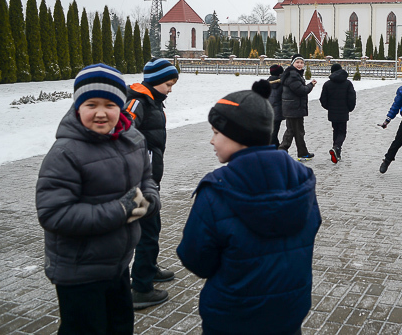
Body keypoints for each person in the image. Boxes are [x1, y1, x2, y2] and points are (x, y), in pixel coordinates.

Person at [177, 80, 322, 335]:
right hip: (289, 312)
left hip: (232, 316)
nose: (211, 141)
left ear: (238, 135)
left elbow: (196, 259)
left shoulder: (216, 191)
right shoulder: (301, 180)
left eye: (216, 132)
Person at [36, 63, 160, 335]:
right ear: (77, 107)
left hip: (117, 265)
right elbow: (54, 214)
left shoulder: (133, 139)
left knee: (120, 326)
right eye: (91, 104)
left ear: (122, 106)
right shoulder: (66, 153)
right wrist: (122, 210)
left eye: (110, 104)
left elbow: (146, 179)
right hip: (79, 271)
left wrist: (150, 199)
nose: (101, 113)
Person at [124, 57, 179, 309]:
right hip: (138, 181)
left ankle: (149, 268)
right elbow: (124, 133)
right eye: (168, 83)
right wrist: (142, 164)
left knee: (151, 228)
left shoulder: (152, 101)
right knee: (146, 230)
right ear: (155, 81)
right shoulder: (138, 102)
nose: (170, 88)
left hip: (148, 178)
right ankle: (141, 287)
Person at [278, 53, 317, 161]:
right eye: (297, 62)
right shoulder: (293, 75)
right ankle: (283, 151)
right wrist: (311, 85)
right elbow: (301, 91)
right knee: (296, 131)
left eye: (301, 62)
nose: (300, 65)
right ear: (292, 63)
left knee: (293, 131)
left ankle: (300, 152)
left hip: (292, 107)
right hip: (294, 108)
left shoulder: (294, 74)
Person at [319, 63, 356, 163]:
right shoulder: (348, 83)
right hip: (343, 111)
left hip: (332, 112)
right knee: (342, 132)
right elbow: (352, 98)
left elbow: (323, 99)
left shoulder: (327, 84)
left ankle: (336, 151)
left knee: (335, 130)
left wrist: (329, 108)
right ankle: (337, 148)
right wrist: (350, 108)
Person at [267, 64, 284, 147]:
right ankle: (276, 149)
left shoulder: (267, 83)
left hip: (268, 111)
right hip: (278, 111)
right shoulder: (282, 84)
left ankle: (277, 147)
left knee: (272, 132)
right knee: (274, 133)